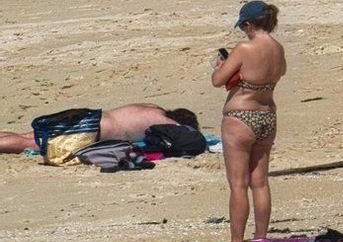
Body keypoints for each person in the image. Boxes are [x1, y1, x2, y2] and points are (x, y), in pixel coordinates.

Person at [211, 0, 286, 242]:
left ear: (248, 24)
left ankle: (235, 240)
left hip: (240, 117)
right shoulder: (278, 49)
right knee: (261, 182)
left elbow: (217, 80)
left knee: (238, 184)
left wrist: (222, 66)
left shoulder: (244, 48)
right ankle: (261, 236)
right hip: (267, 115)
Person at [0, 104, 200, 154]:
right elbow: (187, 138)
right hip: (91, 129)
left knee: (30, 136)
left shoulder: (152, 108)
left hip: (90, 115)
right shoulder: (164, 121)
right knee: (33, 144)